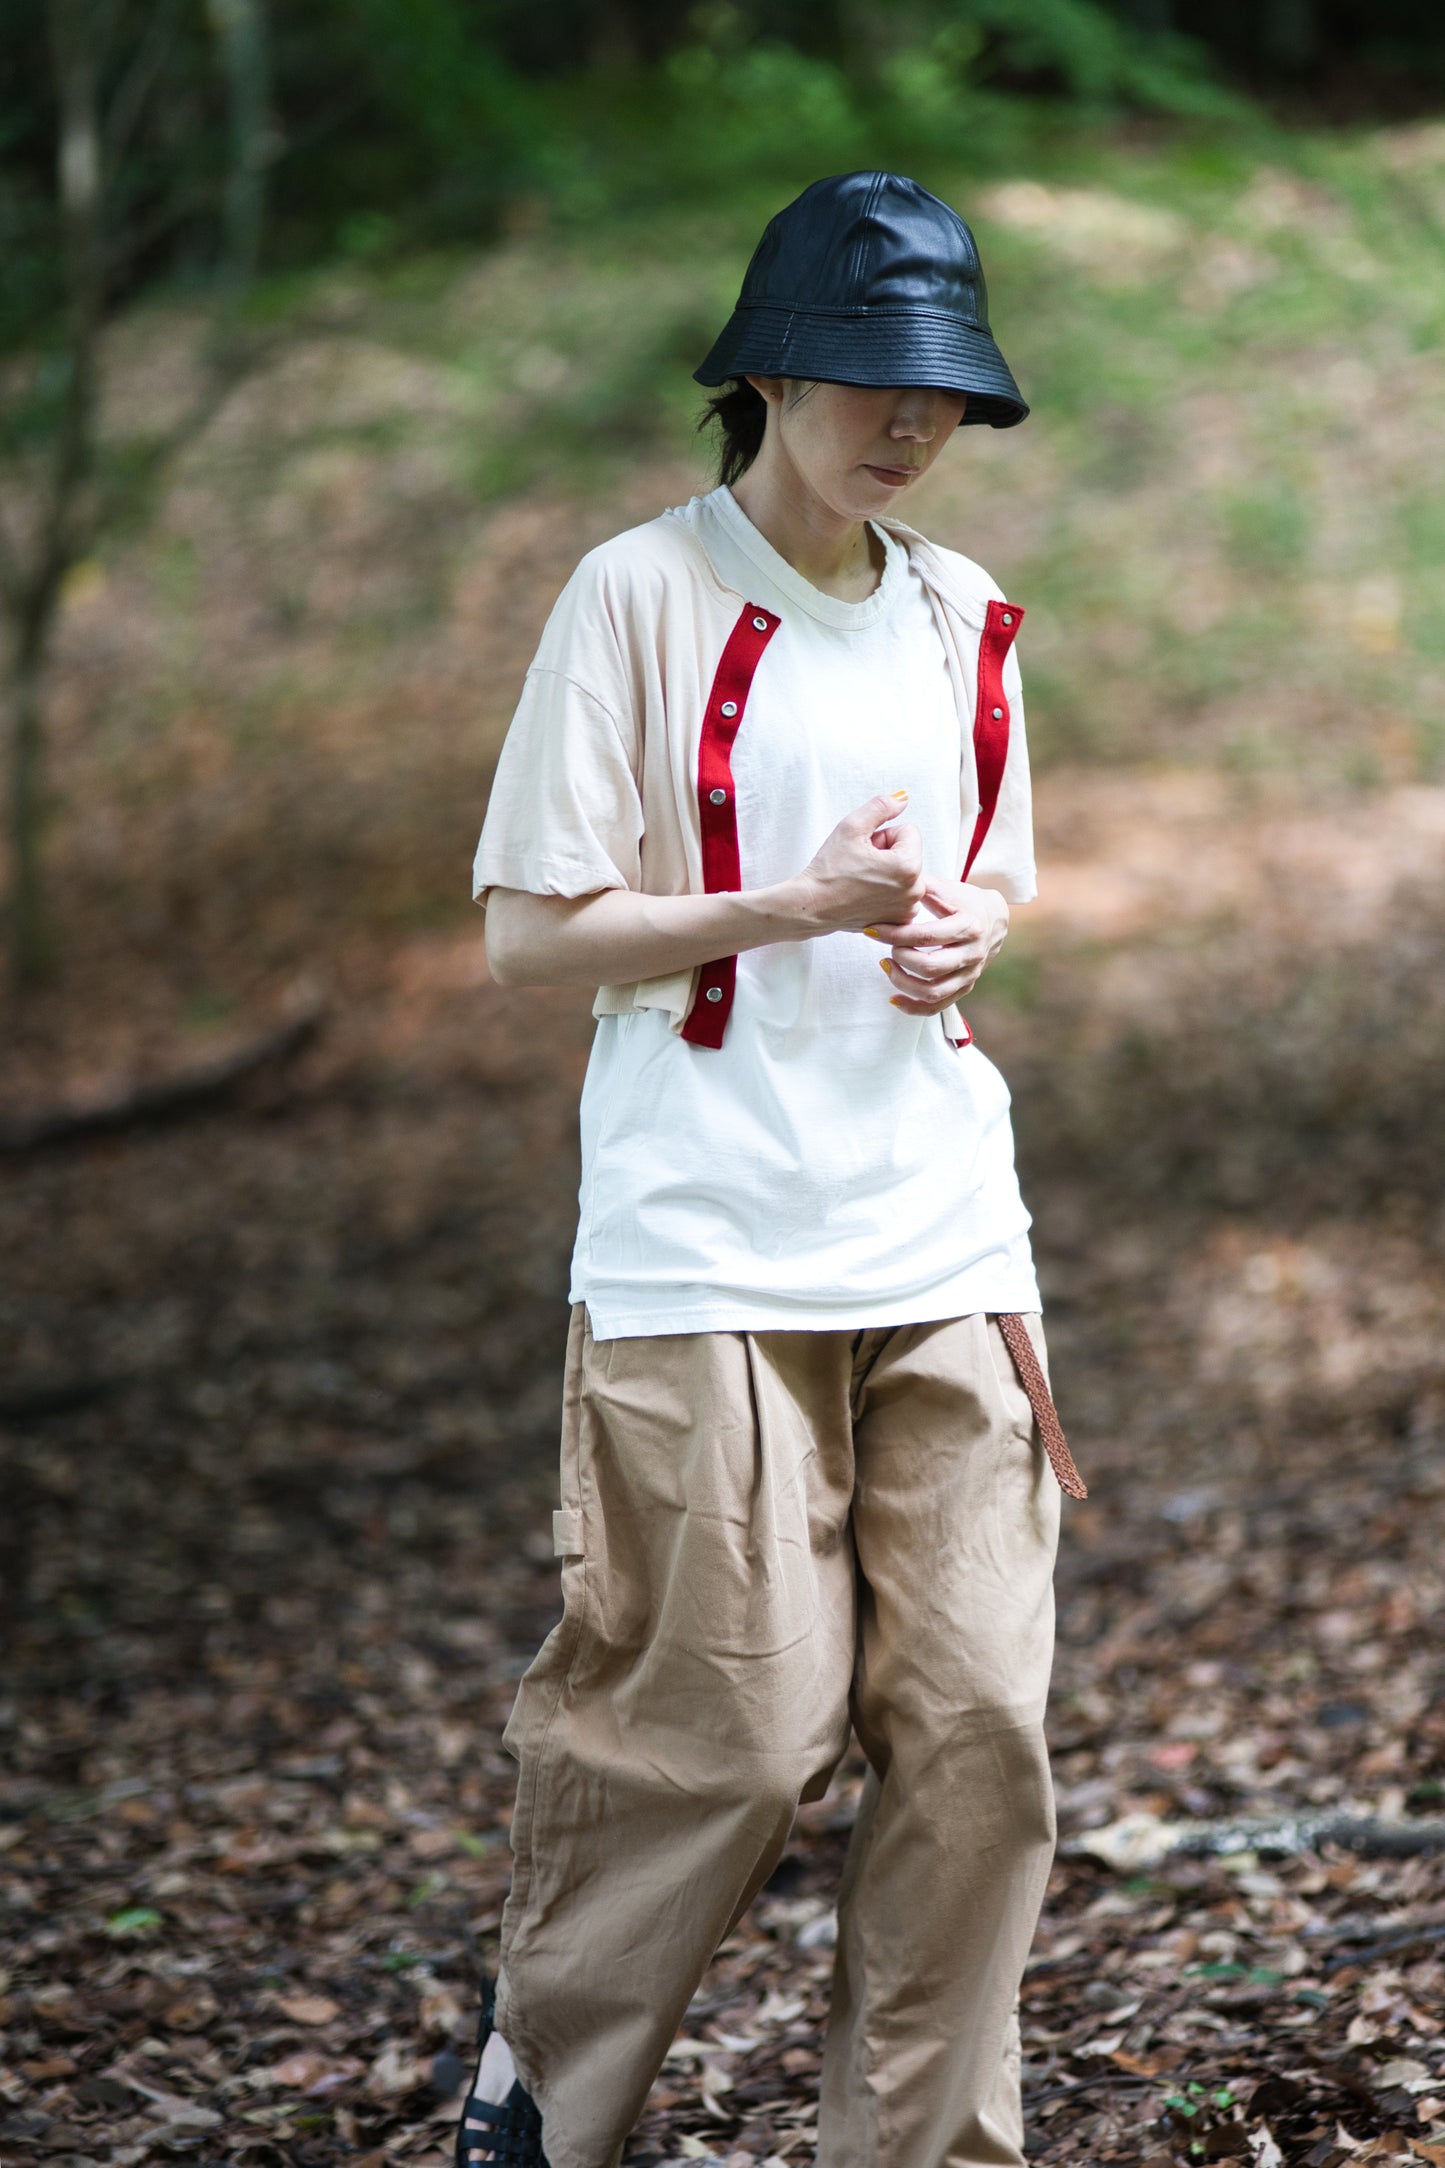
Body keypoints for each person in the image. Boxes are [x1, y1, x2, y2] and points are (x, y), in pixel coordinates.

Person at [459, 170, 1086, 2168]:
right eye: (871, 378)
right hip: (705, 1235)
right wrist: (787, 905)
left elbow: (1004, 853)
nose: (911, 421)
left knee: (983, 1726)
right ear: (772, 369)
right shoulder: (637, 593)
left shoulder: (963, 606)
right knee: (726, 1733)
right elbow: (533, 930)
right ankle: (542, 2100)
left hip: (941, 1220)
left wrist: (968, 922)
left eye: (944, 390)